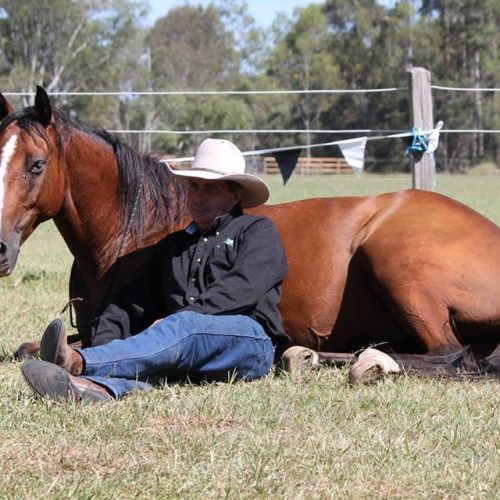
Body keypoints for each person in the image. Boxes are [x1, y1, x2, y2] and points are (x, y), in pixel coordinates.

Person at [21, 138, 289, 402]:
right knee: (160, 350)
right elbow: (129, 302)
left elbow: (243, 288)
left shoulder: (256, 231)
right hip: (186, 345)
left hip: (251, 342)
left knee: (184, 327)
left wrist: (180, 319)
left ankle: (78, 362)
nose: (198, 197)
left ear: (235, 194)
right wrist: (105, 344)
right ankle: (92, 388)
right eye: (194, 187)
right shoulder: (173, 246)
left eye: (210, 189)